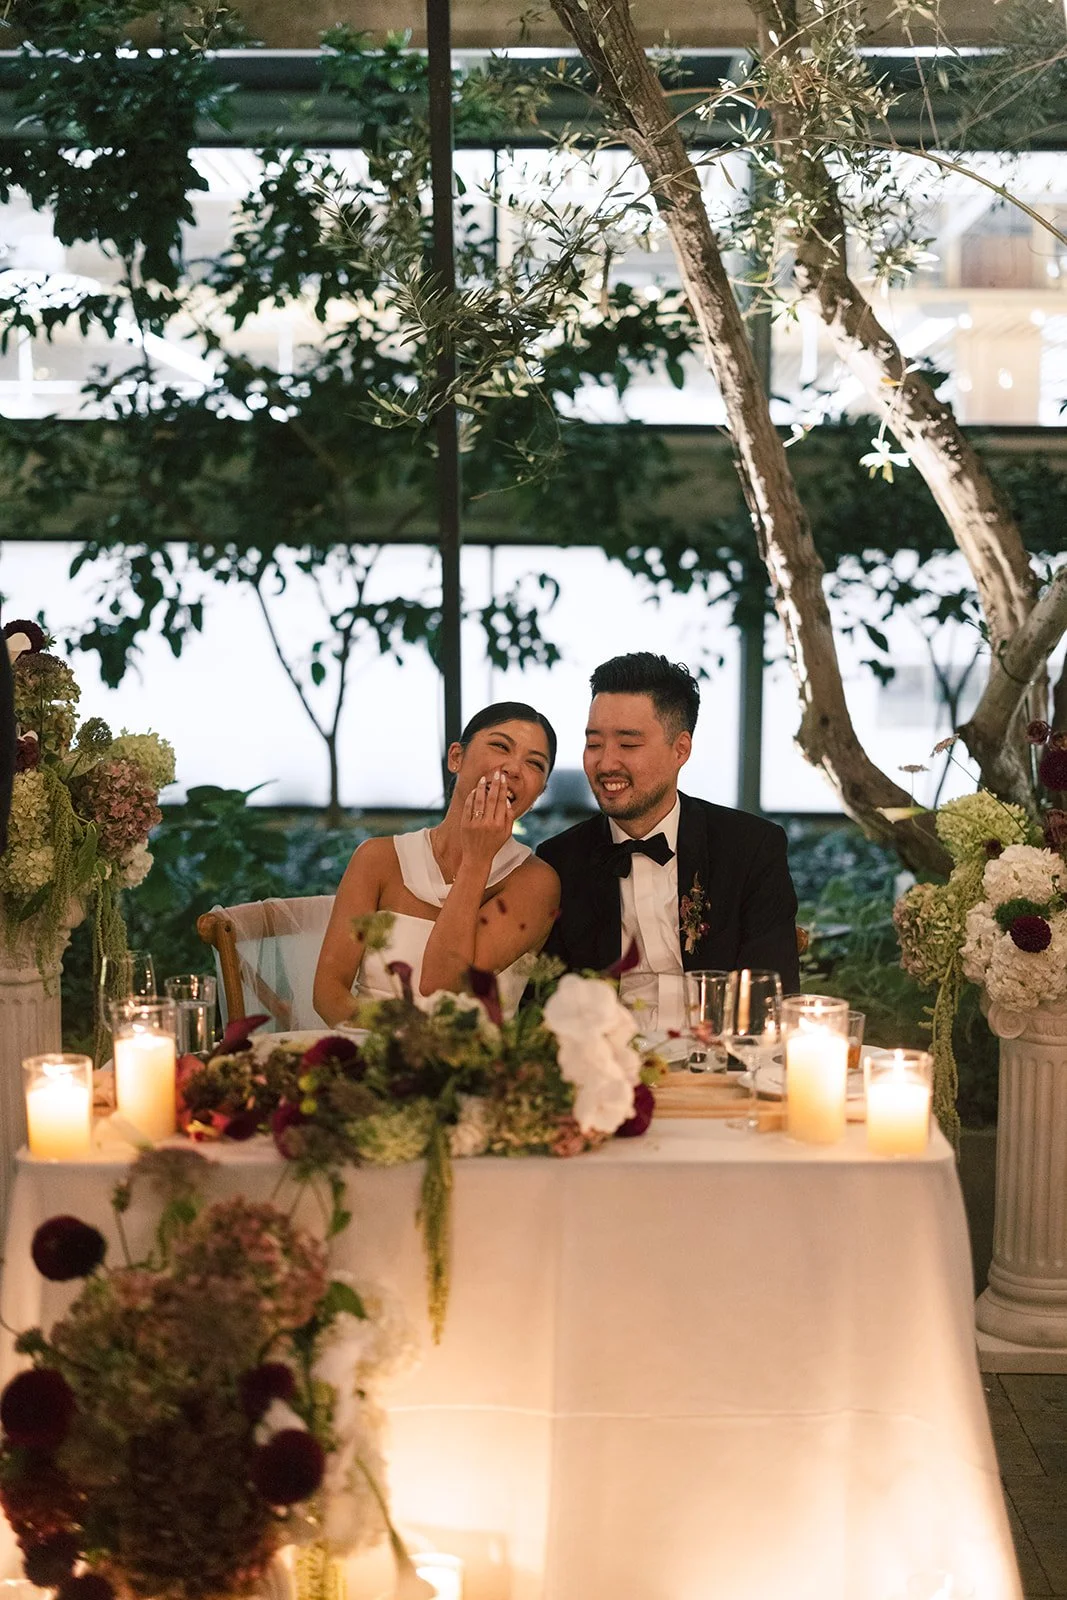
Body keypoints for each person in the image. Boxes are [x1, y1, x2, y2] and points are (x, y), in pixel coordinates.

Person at [536, 653, 799, 1037]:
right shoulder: (559, 861)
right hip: (606, 1063)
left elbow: (769, 998)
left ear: (681, 749)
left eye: (628, 744)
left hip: (718, 1061)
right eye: (594, 743)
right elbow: (548, 1004)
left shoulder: (749, 848)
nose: (605, 763)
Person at [314, 703, 561, 1025]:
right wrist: (390, 1047)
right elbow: (328, 992)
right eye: (501, 746)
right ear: (456, 757)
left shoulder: (535, 883)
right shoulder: (377, 859)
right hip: (365, 1046)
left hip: (473, 1056)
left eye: (535, 763)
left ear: (540, 792)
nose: (514, 768)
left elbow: (442, 986)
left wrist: (477, 860)